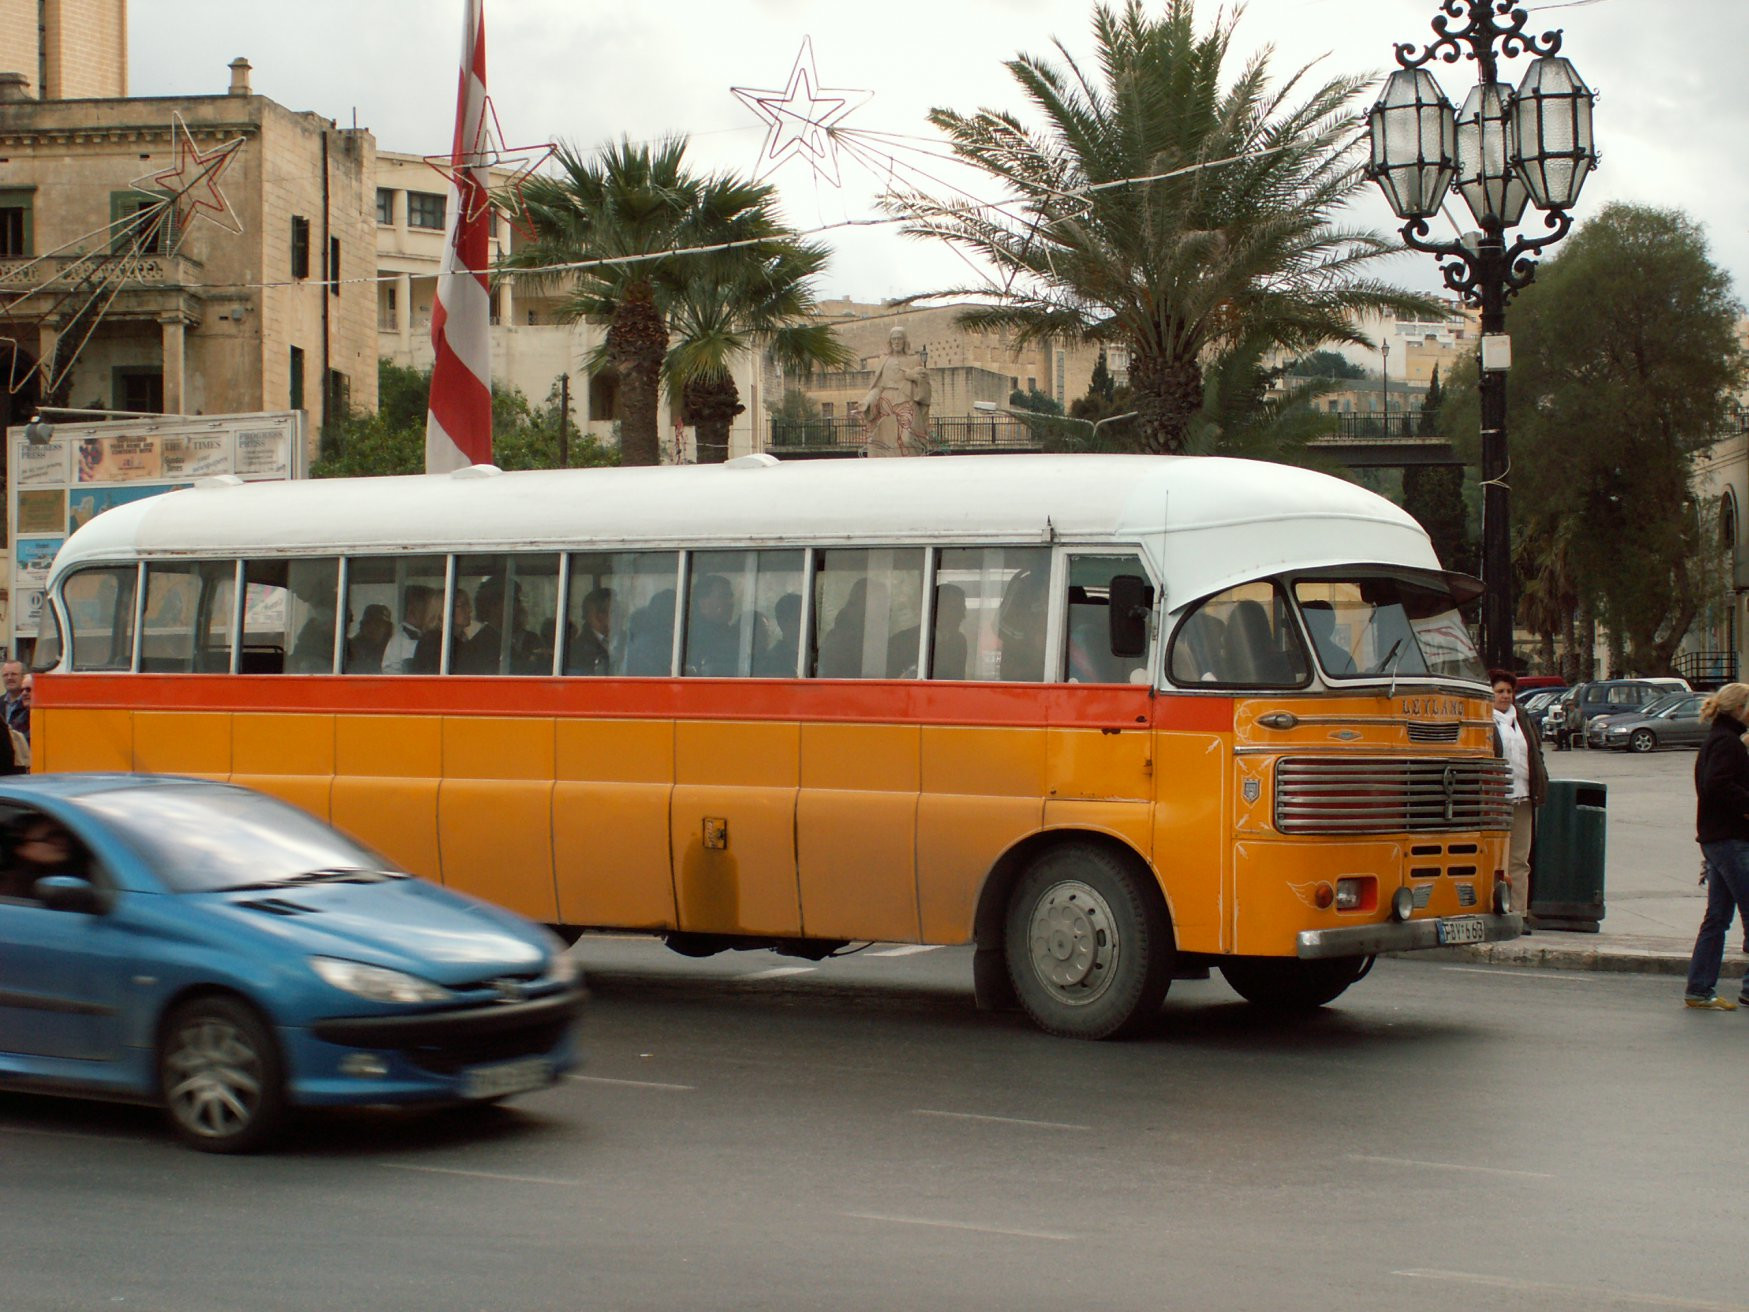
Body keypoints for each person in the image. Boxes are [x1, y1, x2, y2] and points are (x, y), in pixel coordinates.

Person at [1682, 682, 1749, 1010]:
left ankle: (1699, 988)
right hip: (1731, 839)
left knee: (1718, 916)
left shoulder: (1717, 740)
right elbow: (1718, 785)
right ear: (1739, 709)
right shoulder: (1728, 743)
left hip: (1716, 839)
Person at [1491, 668, 1549, 930]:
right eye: (1500, 691)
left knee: (1519, 860)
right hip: (1495, 800)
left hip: (1523, 797)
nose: (1505, 696)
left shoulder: (1522, 718)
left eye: (1509, 692)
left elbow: (1535, 754)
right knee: (1494, 860)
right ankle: (1493, 909)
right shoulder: (1484, 720)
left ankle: (1520, 913)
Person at [858, 327, 932, 458]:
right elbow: (878, 386)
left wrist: (913, 377)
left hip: (907, 403)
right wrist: (868, 400)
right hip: (886, 405)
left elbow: (925, 383)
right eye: (894, 339)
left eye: (899, 338)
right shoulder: (884, 360)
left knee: (908, 440)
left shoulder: (914, 360)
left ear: (904, 341)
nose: (896, 342)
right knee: (878, 443)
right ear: (890, 342)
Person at [0, 813, 80, 899]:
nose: (62, 842)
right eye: (51, 838)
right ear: (24, 848)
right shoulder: (17, 884)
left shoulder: (76, 871)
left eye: (64, 836)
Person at [685, 575, 740, 677]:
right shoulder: (690, 636)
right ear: (702, 603)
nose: (730, 603)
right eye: (723, 597)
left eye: (730, 597)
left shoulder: (734, 634)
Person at [381, 585, 435, 674]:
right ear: (412, 609)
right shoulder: (400, 642)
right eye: (429, 607)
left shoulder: (426, 637)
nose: (432, 614)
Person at [567, 588, 614, 676]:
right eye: (615, 612)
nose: (622, 616)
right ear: (599, 616)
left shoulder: (627, 639)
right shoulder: (578, 650)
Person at [345, 603, 395, 674]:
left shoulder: (393, 650)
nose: (373, 627)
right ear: (362, 625)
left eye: (378, 624)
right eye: (369, 623)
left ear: (387, 628)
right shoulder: (351, 649)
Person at [1, 660, 27, 740]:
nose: (9, 678)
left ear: (23, 677)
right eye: (5, 675)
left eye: (14, 674)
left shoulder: (30, 704)